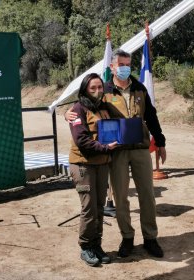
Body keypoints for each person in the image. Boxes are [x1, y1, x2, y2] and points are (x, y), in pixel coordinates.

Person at [66, 49, 167, 258]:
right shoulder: (104, 91)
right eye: (121, 64)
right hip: (117, 152)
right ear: (112, 67)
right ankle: (127, 238)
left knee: (147, 196)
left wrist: (161, 141)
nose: (125, 68)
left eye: (128, 64)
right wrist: (67, 112)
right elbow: (86, 105)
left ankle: (150, 238)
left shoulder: (140, 88)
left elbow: (151, 116)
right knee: (120, 198)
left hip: (140, 149)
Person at [68, 73, 117, 267]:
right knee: (88, 209)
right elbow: (81, 140)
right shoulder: (77, 109)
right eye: (92, 88)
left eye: (99, 87)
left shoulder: (104, 108)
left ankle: (97, 245)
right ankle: (86, 247)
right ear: (84, 90)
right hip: (83, 165)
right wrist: (105, 148)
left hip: (101, 164)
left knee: (99, 207)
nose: (97, 91)